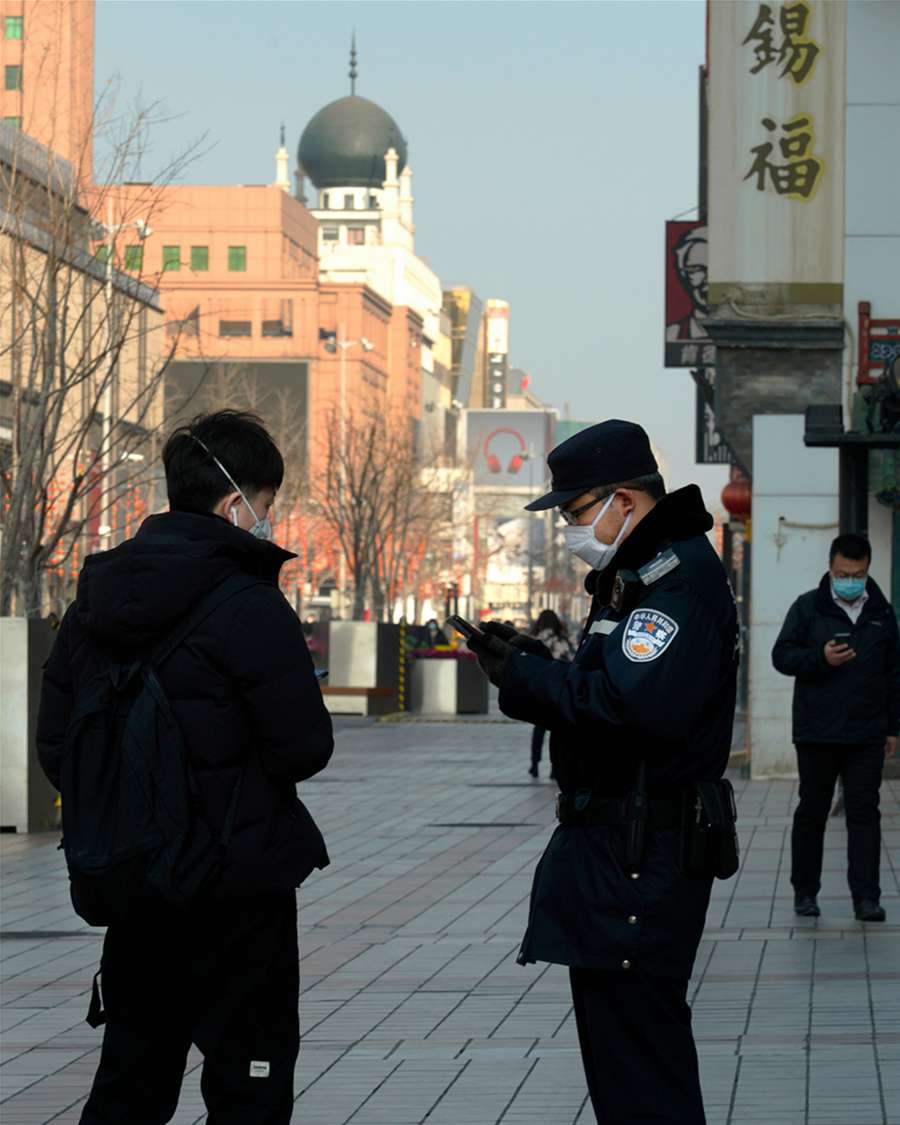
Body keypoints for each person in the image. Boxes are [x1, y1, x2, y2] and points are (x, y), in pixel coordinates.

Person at [36, 410, 334, 1125]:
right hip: (238, 892)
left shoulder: (91, 606)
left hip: (136, 887)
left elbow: (59, 749)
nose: (269, 519)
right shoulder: (250, 604)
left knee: (131, 1083)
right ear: (237, 504)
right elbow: (304, 745)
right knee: (248, 1085)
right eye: (267, 503)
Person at [466, 419, 739, 1125]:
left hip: (643, 860)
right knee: (625, 1067)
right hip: (621, 853)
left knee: (642, 1072)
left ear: (624, 499)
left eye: (576, 510)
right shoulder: (634, 576)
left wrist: (524, 679)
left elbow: (627, 707)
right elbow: (610, 681)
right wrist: (528, 657)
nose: (570, 527)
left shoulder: (674, 580)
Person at [772, 532, 899, 923]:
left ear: (867, 570)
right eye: (844, 572)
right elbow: (782, 656)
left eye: (858, 574)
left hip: (866, 732)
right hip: (816, 731)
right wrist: (820, 658)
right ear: (830, 568)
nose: (850, 580)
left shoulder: (881, 612)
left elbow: (893, 674)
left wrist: (892, 728)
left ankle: (867, 898)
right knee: (812, 810)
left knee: (865, 813)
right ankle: (805, 893)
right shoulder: (808, 608)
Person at [527, 609, 574, 778]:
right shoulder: (562, 640)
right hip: (559, 690)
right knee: (557, 731)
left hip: (539, 690)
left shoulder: (535, 640)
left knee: (538, 730)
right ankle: (555, 768)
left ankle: (534, 763)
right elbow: (571, 661)